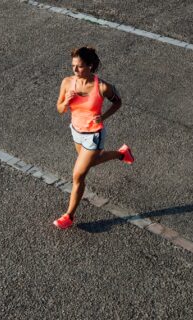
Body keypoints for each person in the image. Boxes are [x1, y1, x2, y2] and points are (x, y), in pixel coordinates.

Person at [54, 46, 134, 229]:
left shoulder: (102, 87)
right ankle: (121, 154)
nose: (75, 70)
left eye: (79, 66)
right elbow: (59, 109)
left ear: (90, 66)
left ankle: (68, 216)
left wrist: (103, 117)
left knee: (78, 175)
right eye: (73, 66)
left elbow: (118, 102)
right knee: (91, 162)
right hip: (76, 131)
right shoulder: (67, 82)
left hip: (93, 135)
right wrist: (66, 101)